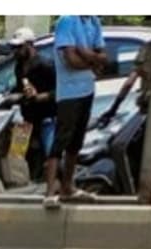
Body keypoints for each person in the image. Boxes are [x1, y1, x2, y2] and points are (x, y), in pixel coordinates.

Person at [46, 14, 106, 207]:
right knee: (61, 141)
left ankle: (68, 187)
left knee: (76, 142)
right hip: (68, 92)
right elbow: (70, 61)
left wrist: (86, 54)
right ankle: (49, 192)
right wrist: (92, 60)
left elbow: (104, 57)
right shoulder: (67, 21)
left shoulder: (94, 21)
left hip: (87, 89)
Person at [5, 27, 57, 192]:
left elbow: (60, 91)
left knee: (52, 156)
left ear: (29, 45)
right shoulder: (19, 66)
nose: (16, 51)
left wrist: (40, 96)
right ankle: (20, 187)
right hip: (26, 119)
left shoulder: (46, 64)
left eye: (19, 47)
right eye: (14, 48)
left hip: (47, 118)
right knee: (16, 156)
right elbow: (21, 89)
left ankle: (53, 188)